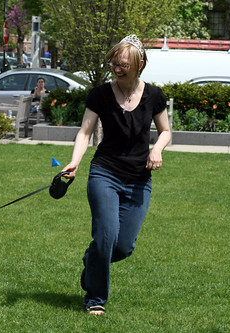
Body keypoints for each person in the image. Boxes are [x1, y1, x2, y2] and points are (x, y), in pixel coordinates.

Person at [61, 34, 172, 316]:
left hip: (139, 179)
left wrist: (157, 149)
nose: (117, 68)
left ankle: (92, 258)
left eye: (124, 64)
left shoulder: (154, 95)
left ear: (140, 64)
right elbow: (85, 132)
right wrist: (75, 161)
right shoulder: (100, 94)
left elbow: (166, 132)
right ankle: (95, 297)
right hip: (105, 173)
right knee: (106, 235)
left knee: (122, 247)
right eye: (115, 63)